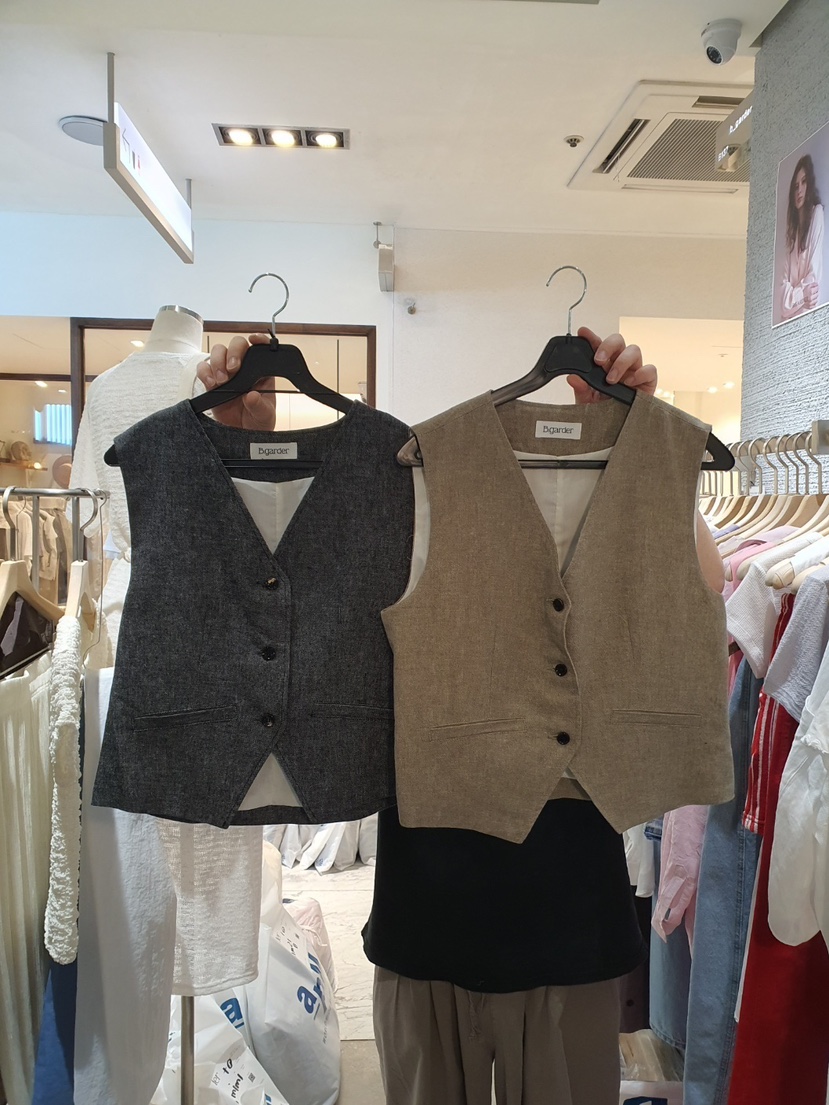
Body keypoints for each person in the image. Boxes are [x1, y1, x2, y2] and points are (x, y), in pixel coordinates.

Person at [197, 330, 724, 1105]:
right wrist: (247, 453)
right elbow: (274, 618)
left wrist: (652, 455)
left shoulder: (649, 496)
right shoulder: (416, 484)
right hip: (428, 920)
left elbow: (696, 604)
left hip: (573, 924)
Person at [780, 153, 824, 322]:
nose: (799, 190)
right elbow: (782, 298)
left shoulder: (816, 214)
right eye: (796, 186)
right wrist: (802, 295)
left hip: (806, 322)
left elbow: (813, 282)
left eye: (804, 182)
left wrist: (793, 296)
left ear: (809, 184)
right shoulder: (791, 233)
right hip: (790, 324)